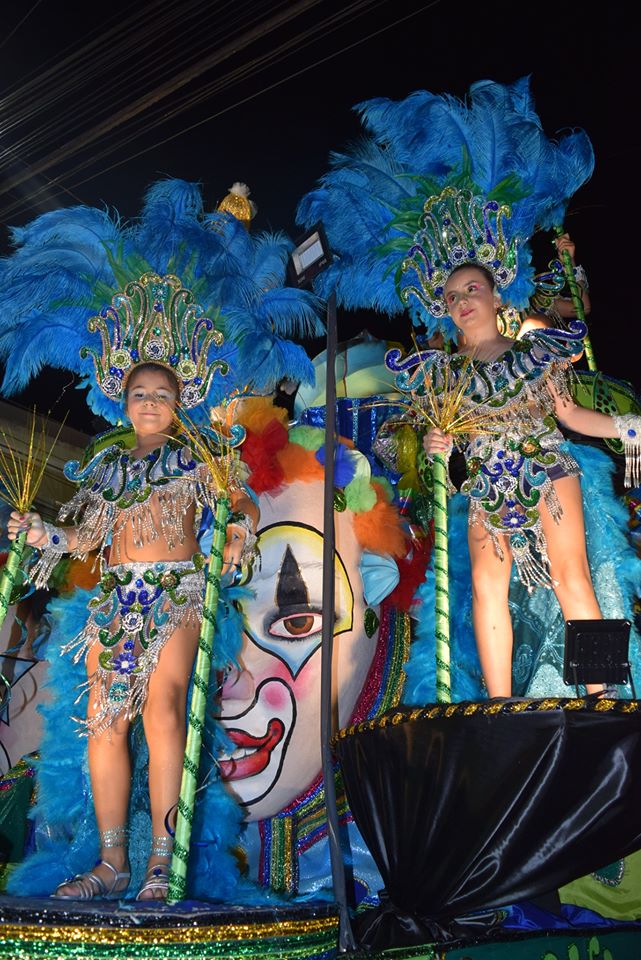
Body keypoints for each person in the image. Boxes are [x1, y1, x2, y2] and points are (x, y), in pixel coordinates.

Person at [6, 361, 259, 901]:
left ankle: (163, 861)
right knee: (104, 723)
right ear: (123, 405)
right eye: (139, 393)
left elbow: (242, 501)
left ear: (179, 403)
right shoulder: (110, 469)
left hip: (175, 594)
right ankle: (113, 862)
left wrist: (238, 531)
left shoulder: (199, 459)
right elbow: (87, 537)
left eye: (161, 394)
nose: (149, 402)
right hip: (116, 601)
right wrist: (45, 534)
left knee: (163, 712)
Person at [421, 262, 639, 698]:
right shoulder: (443, 376)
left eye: (472, 288)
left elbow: (570, 414)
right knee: (486, 587)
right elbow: (446, 448)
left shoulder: (535, 354)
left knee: (571, 575)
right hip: (485, 482)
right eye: (452, 297)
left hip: (547, 468)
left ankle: (601, 698)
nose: (463, 301)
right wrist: (435, 445)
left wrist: (629, 428)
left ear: (497, 296)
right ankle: (500, 707)